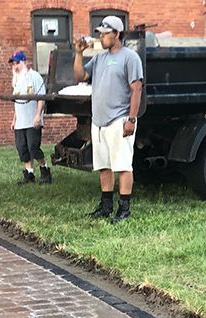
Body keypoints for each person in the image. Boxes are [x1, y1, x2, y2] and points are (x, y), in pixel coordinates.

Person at [73, 16, 143, 223]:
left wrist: (131, 119)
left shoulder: (130, 57)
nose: (101, 37)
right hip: (99, 121)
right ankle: (105, 206)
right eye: (100, 33)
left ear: (117, 34)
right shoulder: (100, 58)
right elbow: (80, 76)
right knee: (103, 166)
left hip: (119, 119)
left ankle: (124, 209)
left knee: (122, 165)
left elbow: (136, 89)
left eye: (105, 33)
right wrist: (78, 53)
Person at [9, 50, 52, 185]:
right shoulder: (16, 80)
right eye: (13, 64)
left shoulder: (34, 76)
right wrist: (14, 119)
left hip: (32, 120)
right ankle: (29, 174)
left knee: (33, 147)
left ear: (24, 62)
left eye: (17, 63)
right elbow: (18, 102)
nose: (15, 67)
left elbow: (41, 98)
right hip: (20, 122)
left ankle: (45, 170)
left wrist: (38, 116)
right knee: (22, 148)